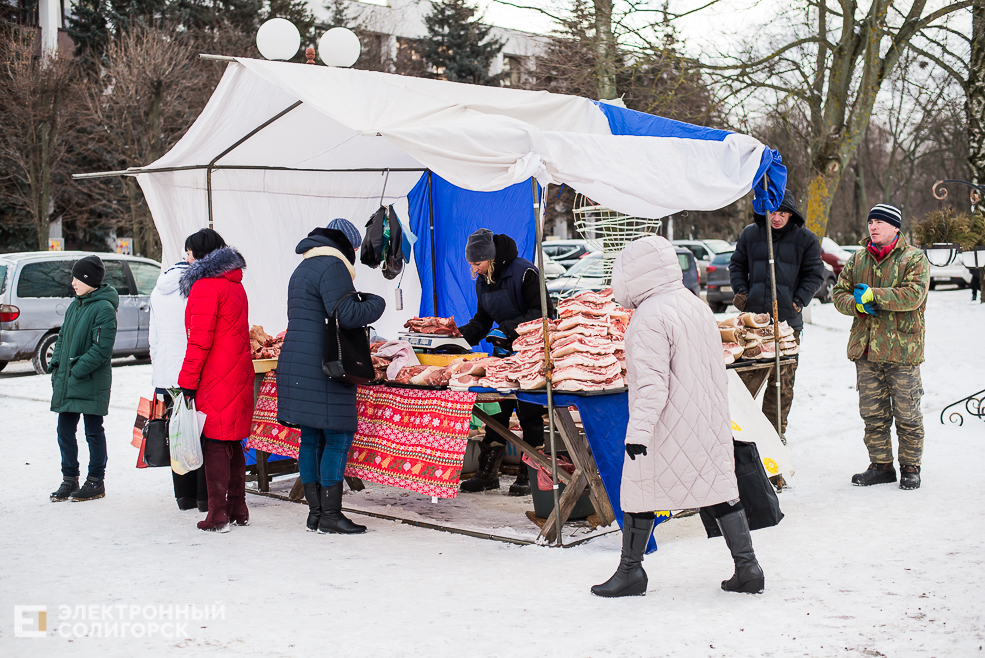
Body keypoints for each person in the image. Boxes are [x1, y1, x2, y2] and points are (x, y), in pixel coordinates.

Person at [592, 236, 764, 598]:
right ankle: (748, 567)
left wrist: (637, 434)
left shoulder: (649, 317)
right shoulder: (694, 304)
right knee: (717, 489)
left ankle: (631, 572)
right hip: (705, 419)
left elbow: (652, 386)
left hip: (665, 424)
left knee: (639, 492)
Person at [277, 219, 385, 534]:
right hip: (324, 367)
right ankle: (331, 515)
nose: (353, 253)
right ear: (344, 245)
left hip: (299, 363)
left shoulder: (304, 268)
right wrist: (376, 302)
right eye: (352, 247)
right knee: (337, 436)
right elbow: (348, 315)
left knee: (310, 438)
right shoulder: (333, 267)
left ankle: (315, 513)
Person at [832, 204, 930, 490]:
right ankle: (881, 465)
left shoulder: (914, 258)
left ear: (896, 227)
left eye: (880, 223)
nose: (873, 227)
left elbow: (912, 295)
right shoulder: (858, 259)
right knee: (873, 414)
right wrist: (857, 306)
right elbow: (840, 293)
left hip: (902, 350)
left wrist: (876, 296)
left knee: (907, 414)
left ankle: (911, 466)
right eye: (870, 222)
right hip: (866, 349)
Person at [457, 228, 551, 496]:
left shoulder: (524, 272)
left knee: (528, 412)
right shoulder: (483, 280)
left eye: (477, 263)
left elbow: (544, 313)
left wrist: (510, 329)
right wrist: (457, 336)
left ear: (491, 257)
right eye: (471, 264)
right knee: (496, 412)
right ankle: (488, 474)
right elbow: (482, 320)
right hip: (502, 354)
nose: (474, 269)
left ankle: (531, 473)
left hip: (531, 353)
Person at [729, 192, 825, 438]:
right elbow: (737, 265)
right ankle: (741, 434)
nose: (777, 217)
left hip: (787, 325)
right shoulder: (750, 234)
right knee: (745, 382)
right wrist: (742, 291)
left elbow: (815, 273)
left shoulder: (806, 239)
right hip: (752, 324)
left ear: (791, 214)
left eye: (783, 213)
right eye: (773, 212)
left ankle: (774, 435)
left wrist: (797, 301)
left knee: (781, 386)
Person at [177, 229, 254, 532]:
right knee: (232, 443)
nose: (186, 257)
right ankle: (238, 507)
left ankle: (217, 514)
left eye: (189, 251)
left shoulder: (206, 287)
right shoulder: (234, 284)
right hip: (236, 373)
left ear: (200, 254)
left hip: (214, 377)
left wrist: (186, 381)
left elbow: (199, 341)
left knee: (215, 445)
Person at [49, 256, 119, 503]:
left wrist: (75, 370)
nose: (73, 283)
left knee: (93, 431)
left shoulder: (104, 309)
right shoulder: (75, 306)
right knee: (64, 431)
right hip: (69, 379)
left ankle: (95, 481)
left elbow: (101, 349)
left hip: (90, 381)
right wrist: (56, 365)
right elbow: (62, 339)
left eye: (78, 278)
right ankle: (70, 479)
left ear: (90, 280)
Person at [149, 256, 208, 512]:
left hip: (166, 373)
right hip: (190, 371)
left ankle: (183, 497)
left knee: (177, 433)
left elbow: (153, 338)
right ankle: (203, 497)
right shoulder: (196, 284)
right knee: (199, 434)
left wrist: (158, 374)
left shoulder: (158, 287)